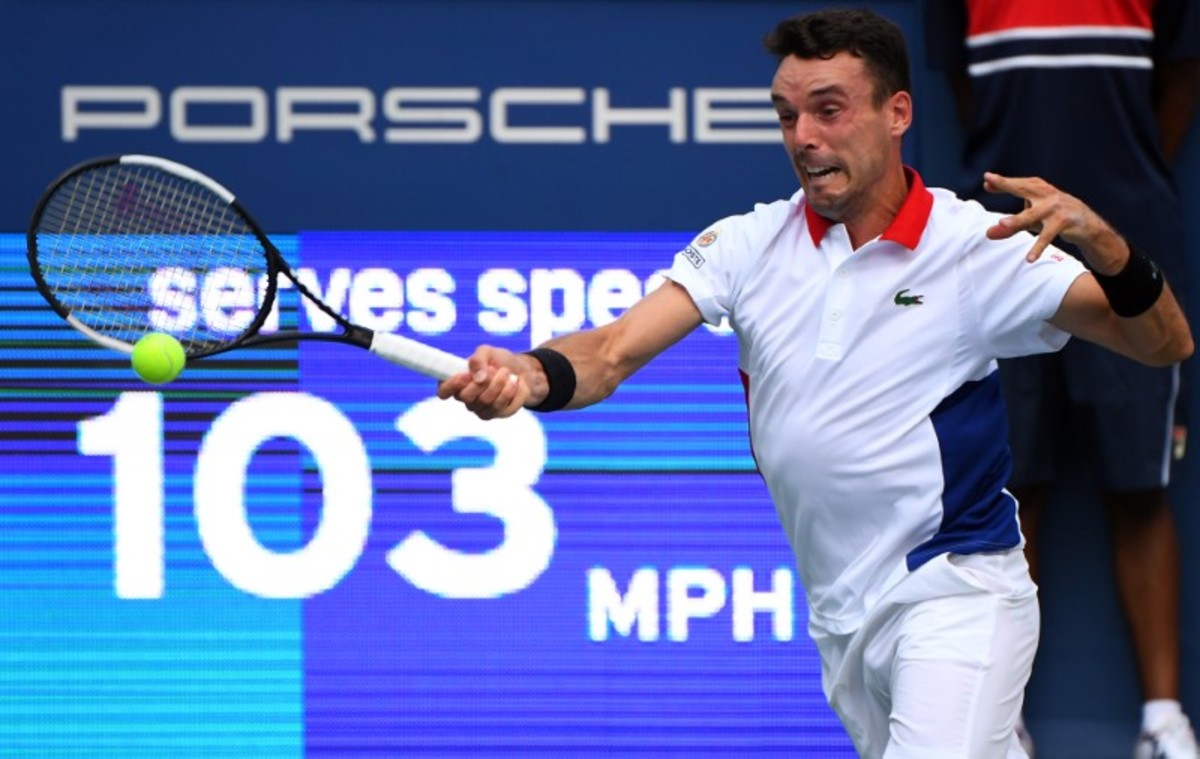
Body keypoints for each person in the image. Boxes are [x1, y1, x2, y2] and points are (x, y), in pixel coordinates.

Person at [438, 8, 1194, 757]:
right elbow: (609, 353)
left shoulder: (976, 245)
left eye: (829, 110)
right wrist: (530, 374)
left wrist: (1107, 246)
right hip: (841, 616)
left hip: (956, 591)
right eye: (787, 114)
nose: (803, 136)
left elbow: (1163, 342)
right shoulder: (744, 244)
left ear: (897, 113)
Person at [925, 1, 1200, 755]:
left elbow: (1179, 82)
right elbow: (968, 94)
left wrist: (1114, 198)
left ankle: (1163, 722)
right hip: (999, 247)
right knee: (1009, 489)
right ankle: (1001, 721)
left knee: (1139, 486)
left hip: (1131, 239)